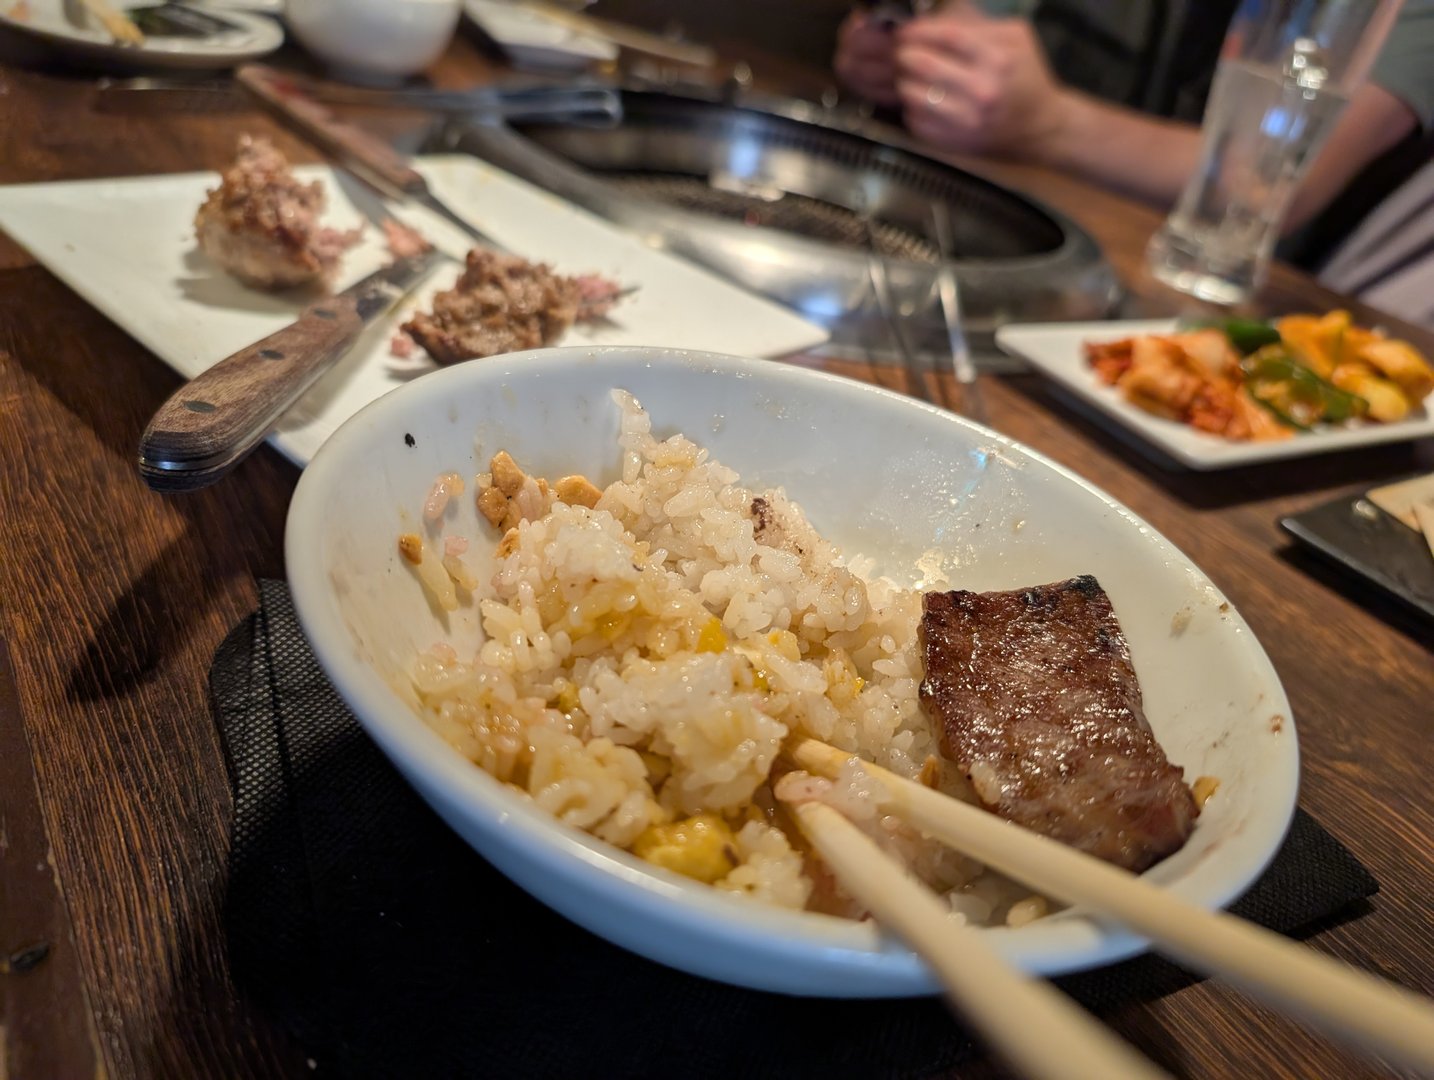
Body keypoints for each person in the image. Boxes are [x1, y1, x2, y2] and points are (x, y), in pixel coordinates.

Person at [833, 0, 1434, 257]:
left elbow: (1265, 184)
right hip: (975, 224)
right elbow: (962, 33)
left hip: (1200, 307)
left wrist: (1050, 124)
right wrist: (912, 61)